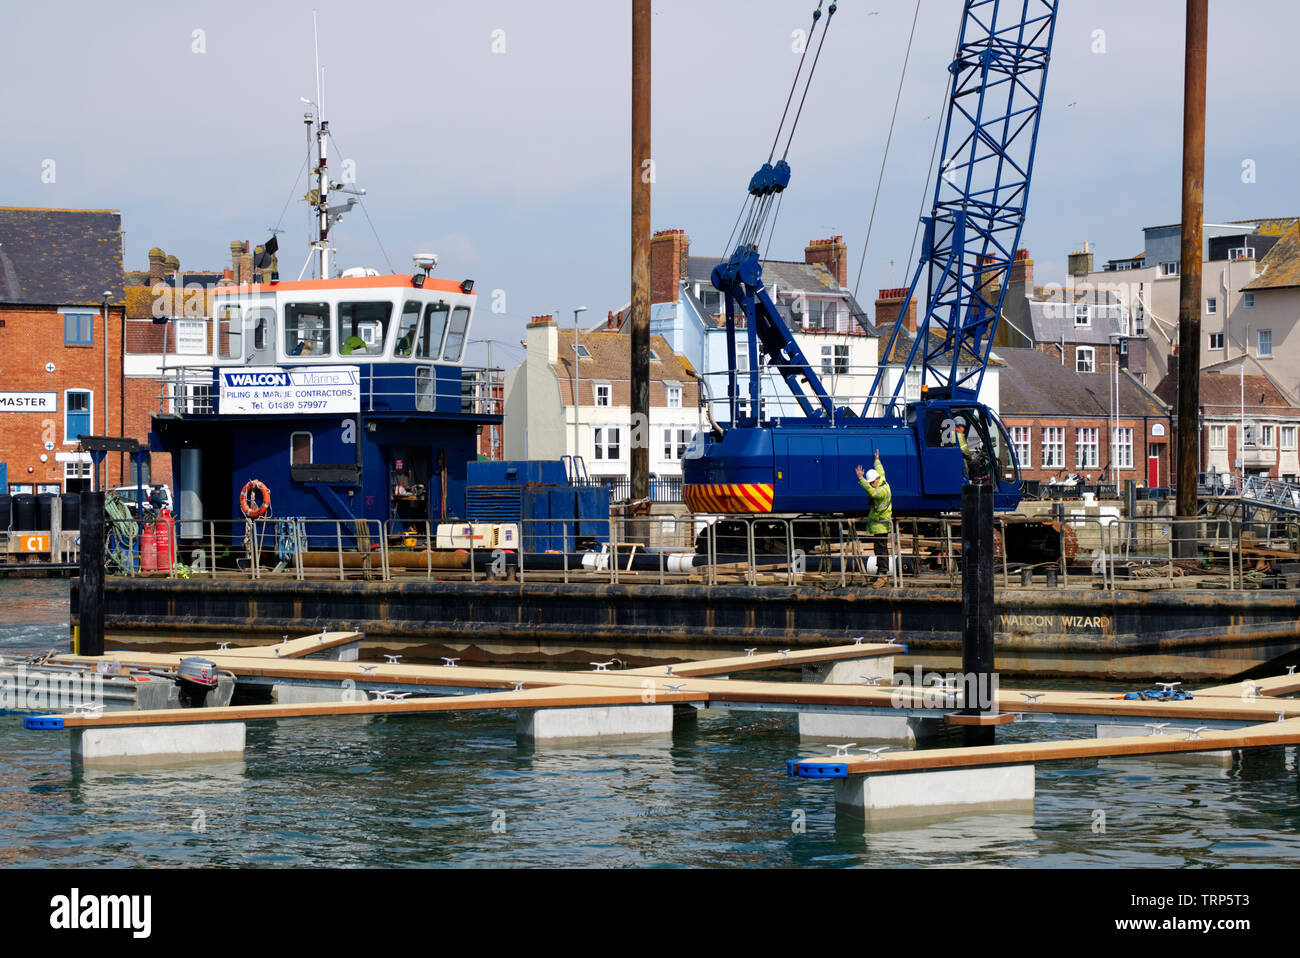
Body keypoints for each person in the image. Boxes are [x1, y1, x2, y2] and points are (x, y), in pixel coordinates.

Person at [855, 450, 892, 587]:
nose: (871, 484)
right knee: (878, 548)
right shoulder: (881, 479)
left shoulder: (881, 491)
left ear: (876, 480)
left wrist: (861, 479)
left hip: (881, 524)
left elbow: (872, 493)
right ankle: (880, 572)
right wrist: (877, 460)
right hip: (878, 524)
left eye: (872, 482)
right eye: (870, 483)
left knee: (881, 549)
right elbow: (880, 469)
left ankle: (883, 575)